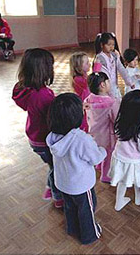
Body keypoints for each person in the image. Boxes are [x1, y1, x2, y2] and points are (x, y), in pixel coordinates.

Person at [47, 93, 106, 245]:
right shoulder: (81, 139)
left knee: (70, 207)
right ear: (77, 117)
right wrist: (103, 150)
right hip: (81, 185)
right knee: (87, 209)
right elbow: (95, 158)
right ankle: (90, 235)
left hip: (63, 183)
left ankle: (72, 228)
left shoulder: (53, 136)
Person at [12, 48, 64, 208]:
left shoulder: (22, 89)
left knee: (52, 166)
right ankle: (58, 198)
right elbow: (55, 119)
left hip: (34, 138)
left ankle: (50, 187)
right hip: (45, 139)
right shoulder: (43, 95)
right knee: (57, 169)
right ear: (43, 69)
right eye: (50, 66)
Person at [109, 90, 140, 211]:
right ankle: (139, 197)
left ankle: (119, 201)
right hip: (134, 161)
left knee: (121, 181)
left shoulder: (120, 120)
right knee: (138, 178)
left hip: (119, 157)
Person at [84, 72, 120, 183]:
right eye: (108, 81)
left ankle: (98, 165)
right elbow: (116, 119)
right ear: (102, 85)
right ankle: (106, 175)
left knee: (98, 149)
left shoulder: (88, 99)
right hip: (107, 136)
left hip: (93, 132)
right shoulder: (111, 103)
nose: (110, 83)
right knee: (108, 154)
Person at [93, 32, 134, 99]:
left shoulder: (114, 56)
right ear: (102, 45)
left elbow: (121, 69)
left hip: (114, 87)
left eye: (113, 45)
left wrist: (129, 82)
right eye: (109, 45)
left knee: (117, 104)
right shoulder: (99, 58)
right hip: (104, 89)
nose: (111, 47)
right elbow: (96, 74)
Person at [70, 52, 91, 132]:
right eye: (86, 63)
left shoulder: (85, 75)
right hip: (83, 105)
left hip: (87, 103)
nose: (89, 64)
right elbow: (91, 82)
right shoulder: (78, 79)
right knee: (85, 122)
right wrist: (97, 69)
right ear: (78, 67)